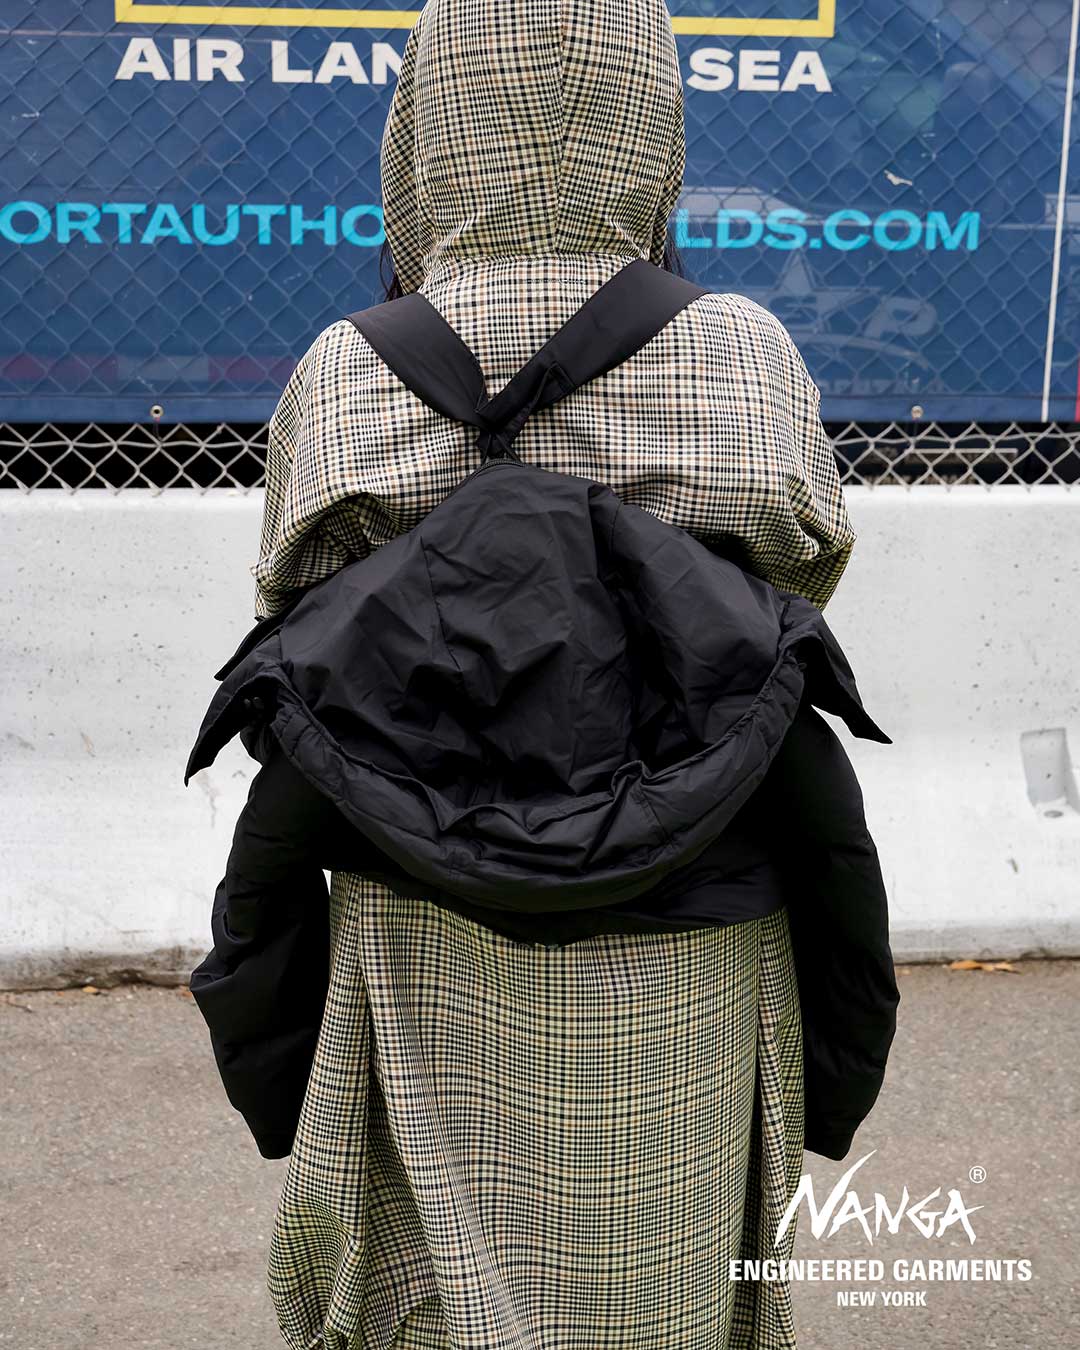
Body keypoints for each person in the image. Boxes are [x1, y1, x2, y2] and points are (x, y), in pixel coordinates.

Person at [188, 2, 899, 1346]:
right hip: (692, 919)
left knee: (420, 1282)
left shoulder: (346, 371)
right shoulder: (742, 354)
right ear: (652, 119)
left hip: (418, 908)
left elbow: (299, 609)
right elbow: (796, 582)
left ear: (426, 125)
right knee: (667, 1283)